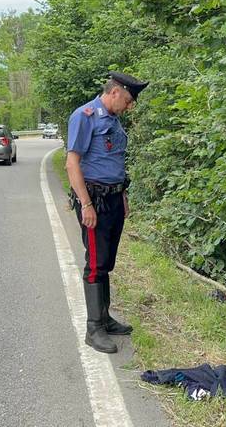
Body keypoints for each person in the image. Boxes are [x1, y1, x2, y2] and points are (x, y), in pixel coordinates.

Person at [66, 71, 149, 353]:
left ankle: (105, 318)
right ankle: (94, 328)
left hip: (113, 200)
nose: (129, 107)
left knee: (107, 262)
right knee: (95, 264)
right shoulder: (85, 116)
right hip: (95, 202)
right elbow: (72, 163)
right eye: (127, 101)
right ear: (114, 92)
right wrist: (86, 204)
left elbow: (114, 161)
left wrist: (122, 195)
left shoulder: (113, 121)